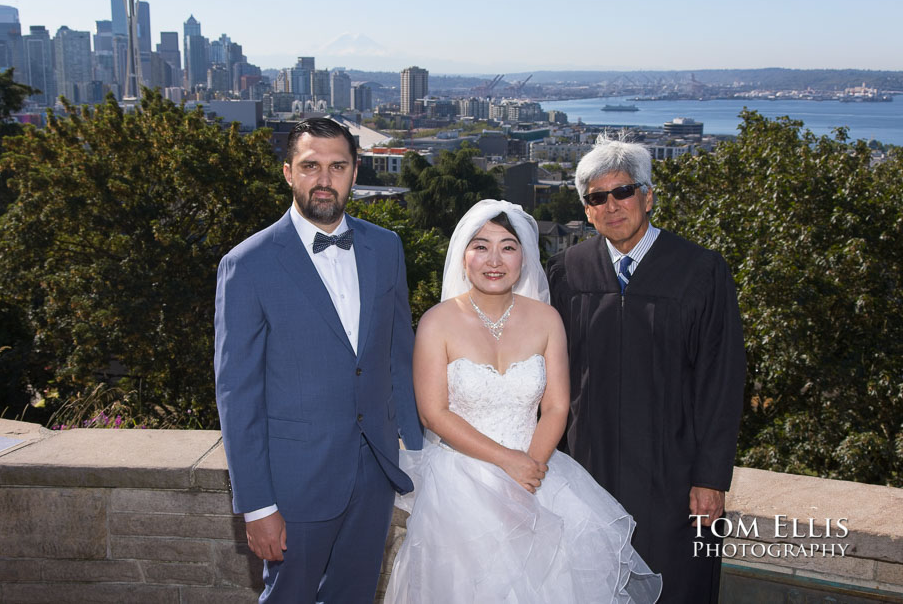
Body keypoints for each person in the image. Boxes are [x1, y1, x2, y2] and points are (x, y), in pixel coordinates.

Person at [385, 199, 661, 603]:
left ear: (524, 256)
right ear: (463, 256)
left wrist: (529, 470)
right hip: (461, 486)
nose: (494, 259)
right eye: (481, 246)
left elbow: (556, 407)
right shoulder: (436, 322)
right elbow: (434, 412)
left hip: (538, 473)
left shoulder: (546, 319)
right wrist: (507, 462)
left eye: (508, 246)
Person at [214, 117, 423, 603]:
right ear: (289, 173)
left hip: (373, 474)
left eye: (337, 166)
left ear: (354, 172)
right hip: (294, 485)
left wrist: (415, 449)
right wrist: (257, 505)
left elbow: (397, 352)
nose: (324, 179)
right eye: (311, 166)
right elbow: (236, 395)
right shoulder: (246, 265)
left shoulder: (385, 247)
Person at [547, 136, 746, 603]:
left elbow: (722, 379)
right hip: (587, 470)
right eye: (597, 197)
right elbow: (550, 378)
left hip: (674, 475)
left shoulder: (700, 270)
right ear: (586, 208)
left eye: (623, 192)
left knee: (675, 586)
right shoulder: (568, 272)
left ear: (648, 196)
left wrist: (711, 478)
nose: (612, 205)